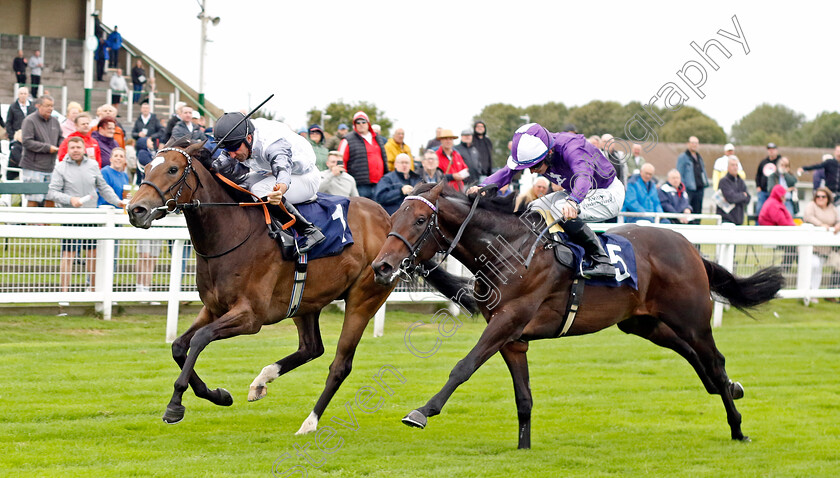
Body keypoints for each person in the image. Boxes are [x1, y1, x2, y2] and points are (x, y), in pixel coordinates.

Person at [468, 123, 624, 278]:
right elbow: (507, 172)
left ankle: (602, 261)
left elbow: (584, 177)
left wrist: (573, 200)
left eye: (535, 165)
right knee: (535, 207)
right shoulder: (539, 150)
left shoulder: (573, 148)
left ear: (549, 152)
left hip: (608, 192)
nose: (532, 170)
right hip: (578, 192)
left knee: (560, 207)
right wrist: (482, 188)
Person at [212, 112, 325, 252]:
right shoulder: (239, 137)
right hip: (271, 172)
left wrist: (280, 191)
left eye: (234, 149)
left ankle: (309, 231)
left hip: (305, 177)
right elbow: (221, 162)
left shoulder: (272, 143)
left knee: (260, 189)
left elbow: (282, 170)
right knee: (239, 185)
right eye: (227, 150)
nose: (232, 155)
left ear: (248, 138)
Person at [47, 137, 125, 292]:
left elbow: (103, 187)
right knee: (68, 255)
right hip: (71, 218)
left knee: (92, 255)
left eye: (78, 147)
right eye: (73, 147)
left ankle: (93, 290)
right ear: (68, 149)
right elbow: (52, 192)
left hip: (91, 216)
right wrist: (70, 199)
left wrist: (118, 202)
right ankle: (64, 293)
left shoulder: (93, 165)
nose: (76, 150)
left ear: (84, 149)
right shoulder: (61, 167)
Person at [20, 95, 63, 207]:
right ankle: (31, 224)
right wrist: (47, 148)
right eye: (47, 106)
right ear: (38, 106)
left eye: (52, 106)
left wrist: (63, 145)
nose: (51, 108)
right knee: (33, 199)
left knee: (50, 199)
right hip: (32, 167)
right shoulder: (29, 120)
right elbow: (27, 141)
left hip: (50, 167)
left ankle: (47, 224)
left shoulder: (55, 121)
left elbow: (60, 138)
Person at [802, 187, 840, 305]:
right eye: (818, 196)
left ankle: (814, 293)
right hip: (810, 245)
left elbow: (838, 220)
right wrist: (821, 224)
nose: (820, 198)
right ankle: (805, 292)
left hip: (825, 246)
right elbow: (808, 217)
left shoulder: (832, 209)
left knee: (818, 268)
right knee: (814, 265)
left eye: (823, 196)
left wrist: (838, 225)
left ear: (828, 198)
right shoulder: (811, 205)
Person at [339, 111, 388, 199]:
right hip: (360, 185)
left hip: (379, 183)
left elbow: (384, 158)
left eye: (363, 122)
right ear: (354, 125)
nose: (361, 124)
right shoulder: (347, 140)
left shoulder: (377, 138)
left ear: (368, 123)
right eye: (357, 122)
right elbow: (340, 161)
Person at [676, 136, 708, 219]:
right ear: (688, 144)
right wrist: (683, 187)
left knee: (698, 212)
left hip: (699, 188)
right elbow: (680, 173)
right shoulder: (683, 157)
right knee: (688, 210)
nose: (694, 145)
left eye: (696, 143)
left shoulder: (699, 157)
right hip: (689, 189)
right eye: (692, 143)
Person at [715, 156, 750, 225]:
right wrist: (743, 195)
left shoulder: (741, 181)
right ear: (728, 167)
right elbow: (731, 198)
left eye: (736, 165)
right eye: (732, 165)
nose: (735, 167)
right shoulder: (724, 181)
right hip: (726, 220)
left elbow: (748, 198)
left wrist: (739, 197)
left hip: (739, 220)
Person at [755, 142, 781, 214]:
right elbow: (758, 175)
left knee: (775, 210)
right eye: (769, 149)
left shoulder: (780, 162)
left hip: (775, 192)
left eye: (773, 149)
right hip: (763, 191)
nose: (771, 151)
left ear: (776, 150)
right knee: (759, 209)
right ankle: (757, 224)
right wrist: (758, 186)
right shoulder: (763, 162)